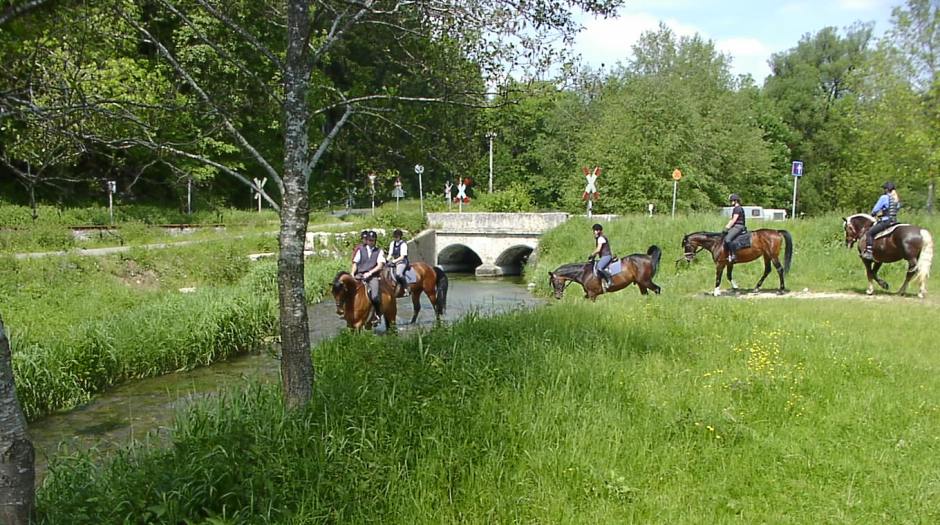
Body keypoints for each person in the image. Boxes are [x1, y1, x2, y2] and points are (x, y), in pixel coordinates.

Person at [351, 230, 386, 324]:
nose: (371, 242)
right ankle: (346, 312)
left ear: (375, 241)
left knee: (374, 296)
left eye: (372, 240)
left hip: (372, 277)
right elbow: (355, 263)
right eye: (369, 240)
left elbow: (380, 265)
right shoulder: (360, 250)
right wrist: (352, 273)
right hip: (360, 274)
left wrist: (370, 273)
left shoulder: (379, 251)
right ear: (367, 240)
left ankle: (377, 314)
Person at [863, 181, 901, 260]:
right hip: (894, 221)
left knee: (869, 233)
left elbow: (875, 209)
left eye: (884, 189)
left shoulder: (884, 197)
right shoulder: (896, 199)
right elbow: (896, 209)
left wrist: (873, 214)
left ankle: (869, 252)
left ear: (886, 189)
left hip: (886, 221)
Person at [722, 194, 747, 263]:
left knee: (727, 239)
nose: (730, 202)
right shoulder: (736, 208)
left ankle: (734, 255)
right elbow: (731, 219)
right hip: (736, 226)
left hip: (738, 226)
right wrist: (726, 227)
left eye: (731, 201)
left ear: (735, 201)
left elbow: (734, 220)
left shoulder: (737, 208)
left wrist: (727, 228)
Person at [589, 223, 613, 290]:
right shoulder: (599, 238)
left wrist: (592, 255)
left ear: (598, 231)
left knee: (599, 268)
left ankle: (609, 280)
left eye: (595, 231)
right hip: (604, 256)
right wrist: (593, 258)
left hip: (606, 256)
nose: (594, 232)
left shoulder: (601, 238)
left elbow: (598, 249)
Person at [388, 229, 410, 296]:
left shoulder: (403, 244)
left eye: (397, 236)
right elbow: (390, 254)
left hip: (402, 261)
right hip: (394, 260)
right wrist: (387, 259)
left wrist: (394, 261)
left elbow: (402, 256)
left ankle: (406, 288)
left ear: (400, 236)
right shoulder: (392, 243)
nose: (395, 238)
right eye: (394, 236)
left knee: (398, 274)